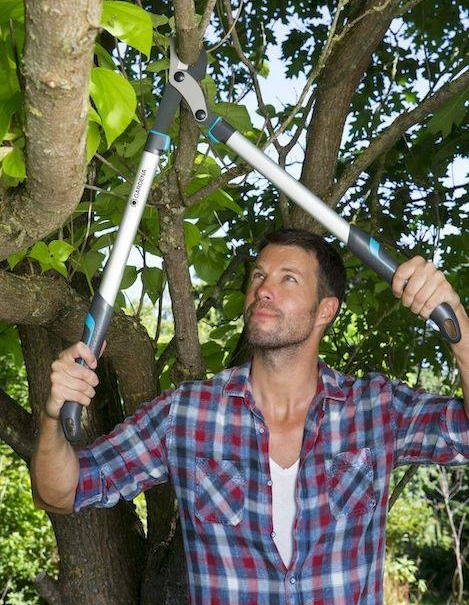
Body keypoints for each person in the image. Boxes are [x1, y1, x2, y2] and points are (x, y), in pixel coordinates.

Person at [31, 229, 469, 605]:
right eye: (259, 275)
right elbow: (61, 492)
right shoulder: (188, 414)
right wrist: (53, 417)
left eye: (288, 279)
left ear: (325, 310)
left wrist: (456, 322)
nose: (263, 289)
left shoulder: (376, 409)